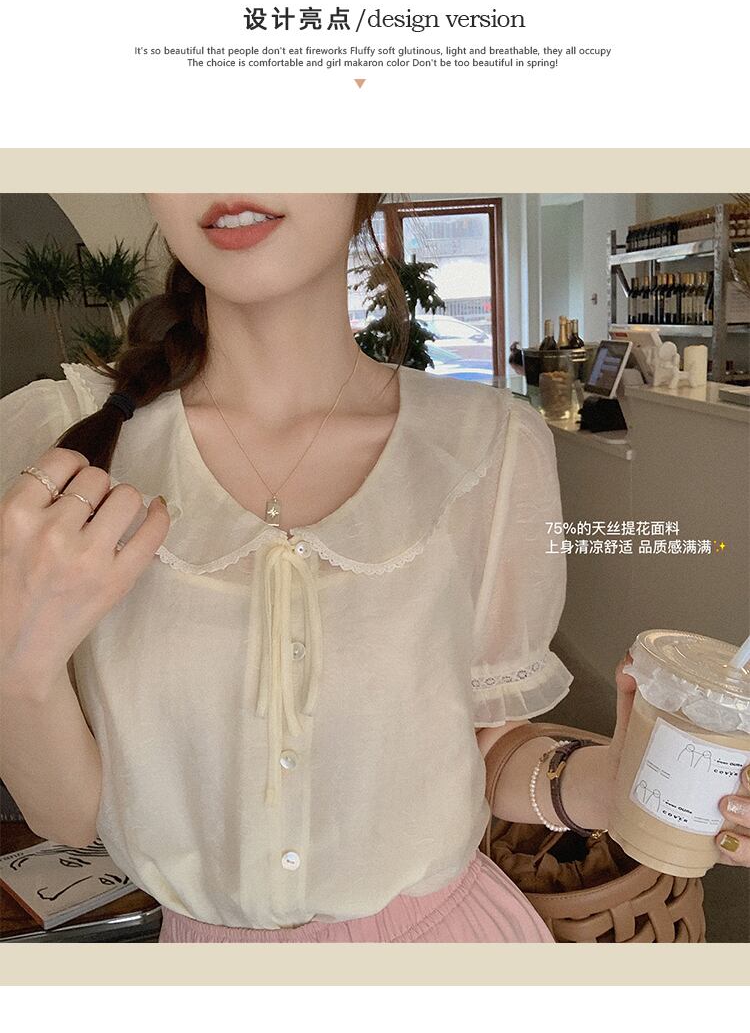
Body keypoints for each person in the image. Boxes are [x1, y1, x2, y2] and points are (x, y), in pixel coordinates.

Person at [1, 194, 747, 945]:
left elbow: (486, 745)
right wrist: (20, 669)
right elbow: (70, 819)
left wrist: (620, 783)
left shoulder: (490, 445)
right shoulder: (56, 447)